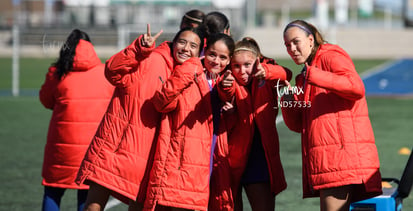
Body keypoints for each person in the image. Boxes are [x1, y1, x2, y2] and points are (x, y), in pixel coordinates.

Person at [76, 25, 206, 211]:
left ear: (199, 51)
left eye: (193, 45)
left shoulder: (189, 75)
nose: (186, 48)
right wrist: (138, 49)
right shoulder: (151, 58)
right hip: (115, 147)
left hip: (148, 161)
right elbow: (113, 71)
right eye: (182, 42)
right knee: (93, 207)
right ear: (173, 42)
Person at [281, 19, 382, 211]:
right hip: (327, 160)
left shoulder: (330, 55)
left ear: (311, 39)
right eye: (287, 45)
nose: (292, 49)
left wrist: (315, 76)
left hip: (340, 158)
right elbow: (298, 125)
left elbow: (356, 88)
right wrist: (286, 99)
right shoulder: (303, 76)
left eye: (296, 42)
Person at [144, 33, 234, 211]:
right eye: (212, 54)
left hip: (207, 156)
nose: (216, 60)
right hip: (181, 158)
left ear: (229, 60)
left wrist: (227, 89)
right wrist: (190, 68)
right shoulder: (190, 71)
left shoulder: (223, 79)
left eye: (223, 57)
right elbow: (161, 103)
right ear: (204, 52)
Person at [39, 29, 114, 211]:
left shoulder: (58, 73)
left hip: (61, 145)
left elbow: (46, 100)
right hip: (94, 145)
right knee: (87, 193)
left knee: (53, 191)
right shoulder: (105, 72)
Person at [217, 38, 292, 211]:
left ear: (257, 61)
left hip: (259, 156)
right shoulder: (227, 78)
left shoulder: (266, 76)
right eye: (236, 65)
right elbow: (225, 91)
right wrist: (225, 89)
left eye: (247, 64)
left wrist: (265, 71)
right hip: (229, 159)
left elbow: (287, 73)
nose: (242, 71)